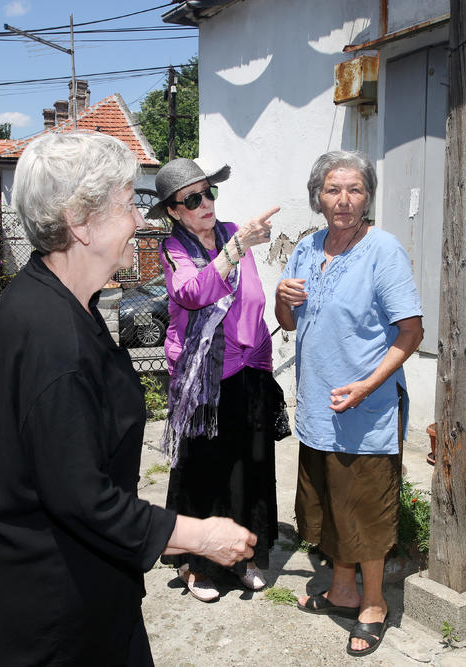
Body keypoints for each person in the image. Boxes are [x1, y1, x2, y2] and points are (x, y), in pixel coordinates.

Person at [0, 133, 257, 666]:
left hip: (88, 589)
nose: (141, 222)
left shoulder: (53, 298)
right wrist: (200, 534)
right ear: (80, 221)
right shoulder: (54, 337)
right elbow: (81, 498)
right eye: (126, 207)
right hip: (53, 615)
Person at [274, 150, 423, 658]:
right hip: (318, 403)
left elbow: (411, 332)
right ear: (318, 196)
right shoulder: (307, 248)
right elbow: (291, 323)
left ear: (368, 197)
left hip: (365, 409)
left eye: (355, 190)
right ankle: (341, 590)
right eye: (333, 190)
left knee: (365, 510)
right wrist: (281, 296)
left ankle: (374, 605)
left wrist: (367, 385)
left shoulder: (384, 250)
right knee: (330, 504)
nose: (343, 200)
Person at [146, 158, 283, 602]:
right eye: (193, 198)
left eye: (208, 193)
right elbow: (192, 292)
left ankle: (242, 556)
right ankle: (196, 565)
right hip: (205, 376)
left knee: (248, 466)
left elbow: (253, 298)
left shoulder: (228, 233)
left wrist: (259, 348)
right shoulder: (174, 249)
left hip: (250, 366)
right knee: (205, 471)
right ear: (174, 210)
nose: (205, 203)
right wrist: (238, 245)